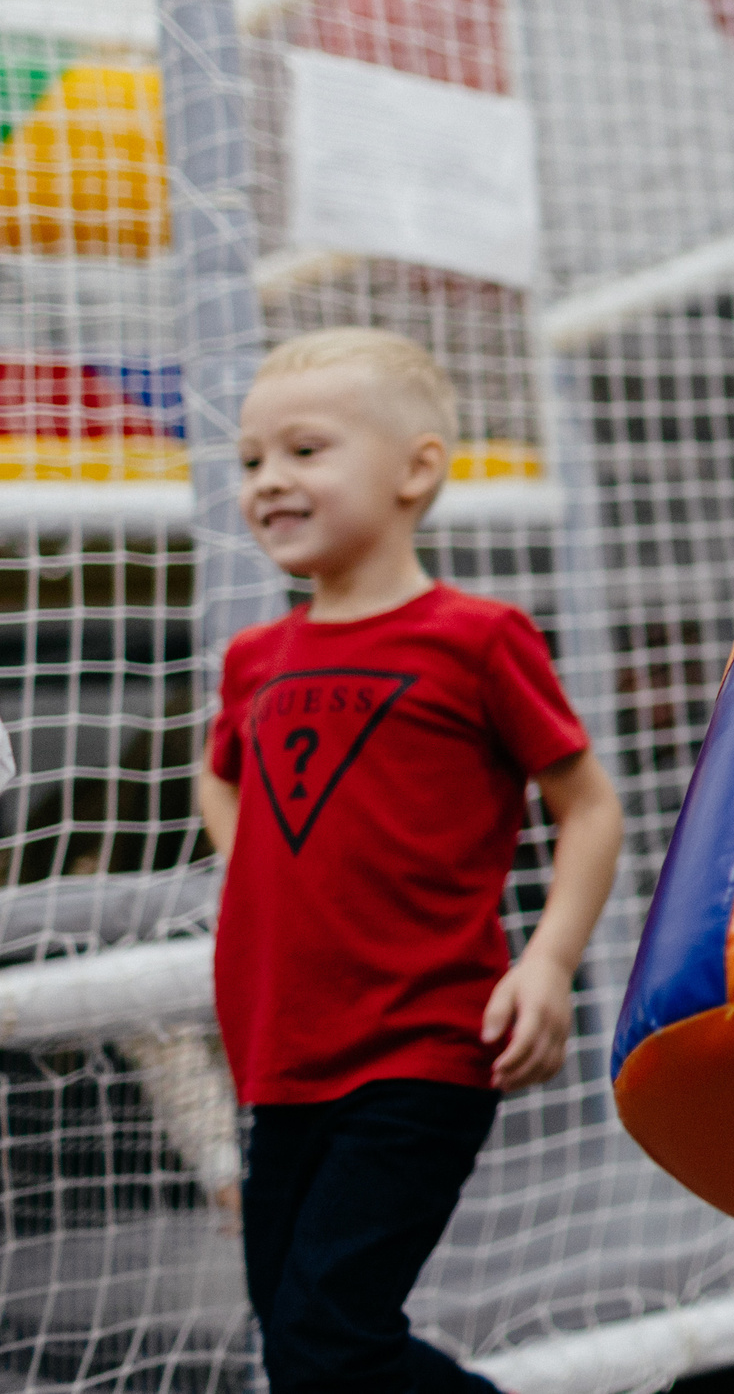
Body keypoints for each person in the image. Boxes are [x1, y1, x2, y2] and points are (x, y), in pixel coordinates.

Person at [197, 328, 625, 1394]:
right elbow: (219, 773)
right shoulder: (255, 659)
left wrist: (548, 963)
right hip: (280, 1048)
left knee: (329, 1329)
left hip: (422, 1041)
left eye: (304, 450)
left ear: (416, 469)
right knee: (300, 1352)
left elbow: (589, 807)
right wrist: (259, 865)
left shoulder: (474, 637)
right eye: (251, 462)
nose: (270, 482)